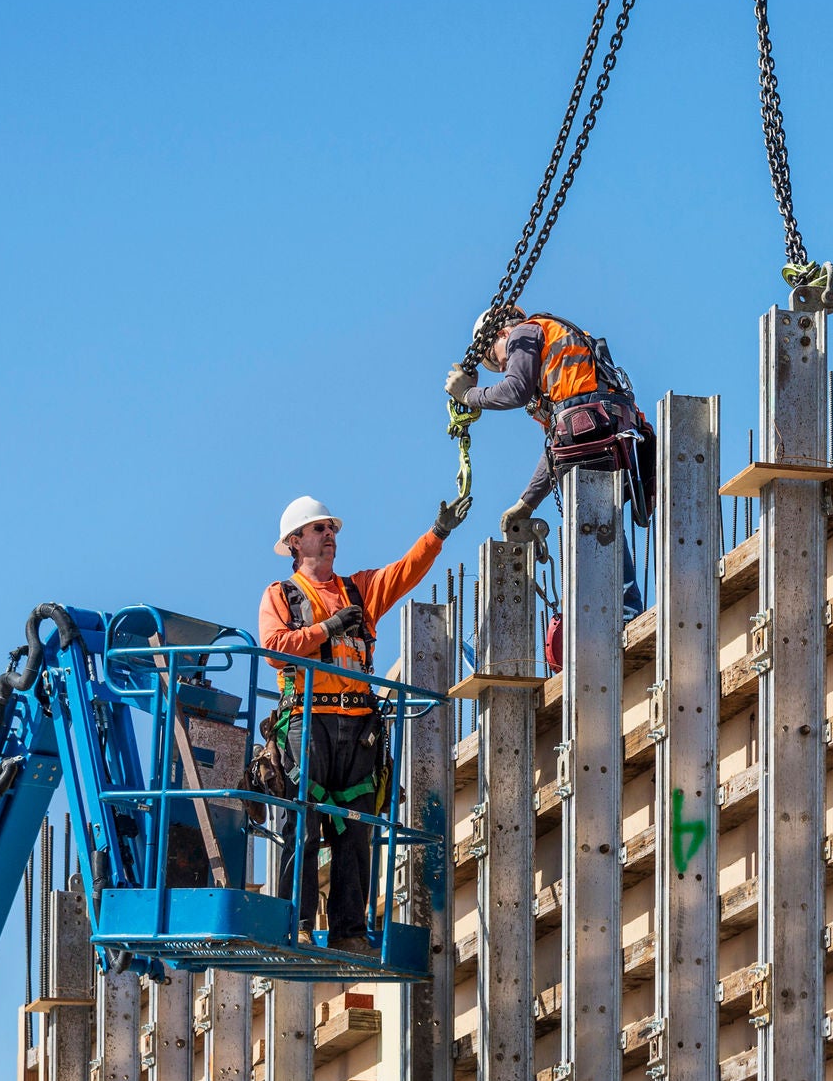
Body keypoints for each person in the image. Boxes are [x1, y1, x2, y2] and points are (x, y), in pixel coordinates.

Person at [258, 493, 464, 951]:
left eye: (332, 528)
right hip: (307, 723)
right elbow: (274, 648)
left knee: (356, 830)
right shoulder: (282, 595)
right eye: (319, 529)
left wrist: (438, 534)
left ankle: (350, 931)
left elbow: (404, 572)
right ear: (295, 541)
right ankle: (299, 923)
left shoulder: (358, 591)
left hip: (358, 729)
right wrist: (328, 628)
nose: (330, 535)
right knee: (303, 825)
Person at [447, 306, 653, 620]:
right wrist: (526, 504)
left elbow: (515, 390)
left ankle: (623, 613)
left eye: (499, 359)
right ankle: (619, 611)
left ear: (501, 333)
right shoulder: (555, 375)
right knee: (599, 521)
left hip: (592, 427)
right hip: (601, 427)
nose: (504, 367)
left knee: (595, 522)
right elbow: (555, 448)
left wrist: (470, 395)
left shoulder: (524, 333)